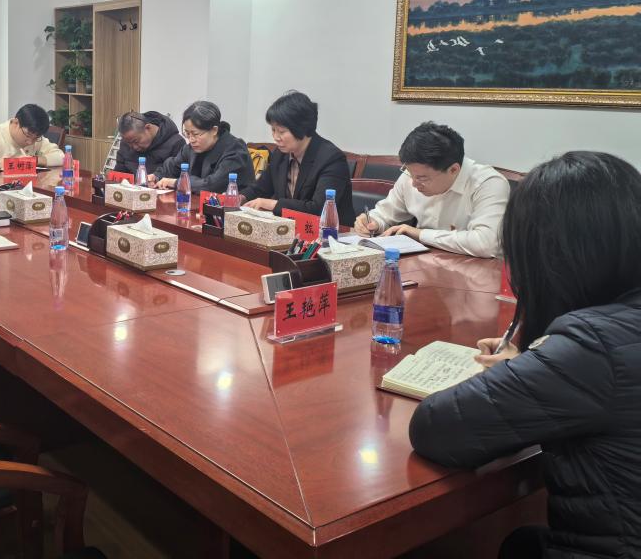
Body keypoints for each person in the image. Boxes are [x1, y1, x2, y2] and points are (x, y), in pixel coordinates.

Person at [409, 152, 641, 559]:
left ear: (550, 255)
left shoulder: (592, 345)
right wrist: (532, 366)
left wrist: (535, 366)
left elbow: (436, 428)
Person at [354, 122, 509, 257]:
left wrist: (420, 234)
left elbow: (486, 243)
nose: (414, 184)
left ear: (453, 170)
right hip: (424, 264)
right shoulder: (413, 175)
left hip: (477, 272)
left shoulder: (488, 184)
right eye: (410, 173)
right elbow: (385, 214)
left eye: (422, 178)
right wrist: (373, 222)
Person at [239, 91, 355, 224]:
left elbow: (318, 209)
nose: (276, 137)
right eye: (273, 130)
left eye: (281, 131)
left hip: (332, 232)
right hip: (290, 228)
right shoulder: (280, 154)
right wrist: (241, 197)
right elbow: (260, 188)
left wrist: (272, 204)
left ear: (302, 128)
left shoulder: (331, 159)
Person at [149, 101, 255, 194]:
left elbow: (213, 185)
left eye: (195, 134)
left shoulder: (235, 149)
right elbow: (173, 166)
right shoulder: (191, 148)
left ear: (214, 130)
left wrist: (177, 182)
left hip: (232, 208)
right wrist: (156, 176)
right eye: (187, 133)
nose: (191, 139)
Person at [0, 103, 63, 171]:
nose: (30, 142)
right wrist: (10, 163)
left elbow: (62, 157)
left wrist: (34, 160)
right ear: (15, 122)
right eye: (27, 135)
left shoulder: (36, 139)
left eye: (36, 138)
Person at [114, 111, 181, 174]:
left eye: (136, 141)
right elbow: (119, 172)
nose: (134, 147)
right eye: (129, 143)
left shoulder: (176, 144)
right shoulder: (127, 141)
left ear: (148, 128)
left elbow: (178, 178)